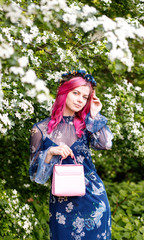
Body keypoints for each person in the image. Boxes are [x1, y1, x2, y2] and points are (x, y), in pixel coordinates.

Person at [29, 70, 113, 240]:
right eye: (75, 93)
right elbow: (35, 175)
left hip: (94, 201)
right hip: (61, 203)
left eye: (84, 97)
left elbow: (105, 144)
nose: (80, 100)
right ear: (63, 91)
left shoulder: (86, 125)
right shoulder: (40, 130)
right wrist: (50, 152)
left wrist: (94, 114)